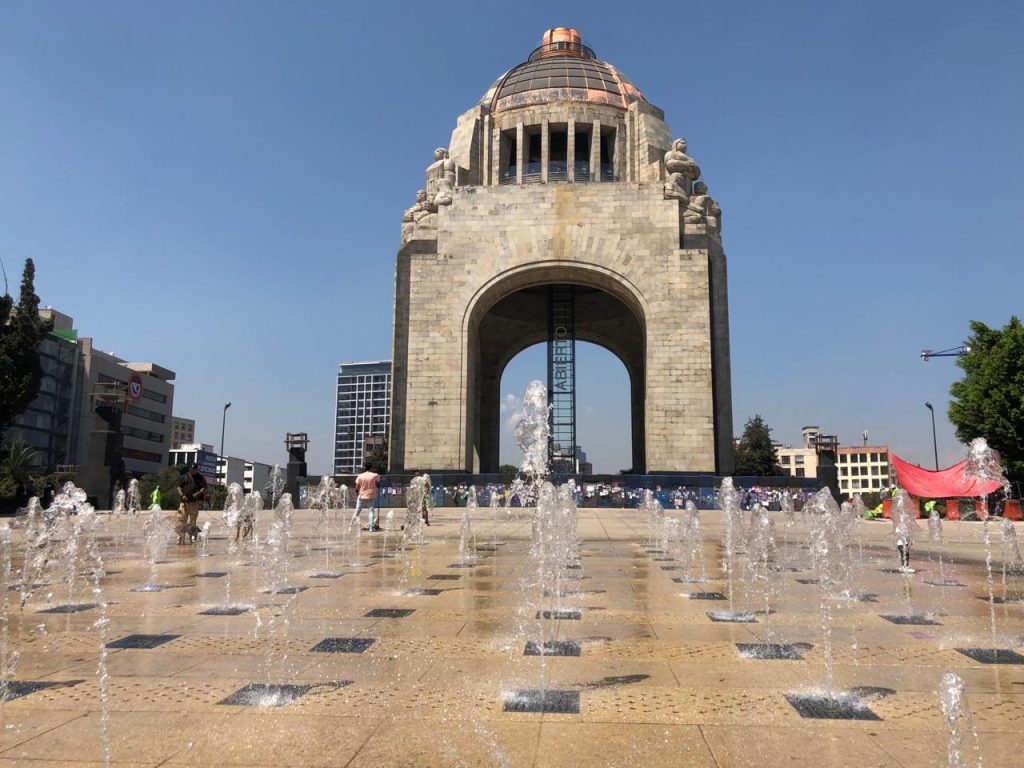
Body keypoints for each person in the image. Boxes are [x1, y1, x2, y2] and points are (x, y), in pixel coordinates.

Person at [176, 465, 207, 544]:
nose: (192, 471)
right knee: (182, 520)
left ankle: (192, 538)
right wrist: (182, 495)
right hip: (184, 503)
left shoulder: (200, 478)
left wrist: (198, 493)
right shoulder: (185, 476)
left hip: (194, 503)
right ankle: (180, 538)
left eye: (193, 469)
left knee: (193, 521)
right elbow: (179, 487)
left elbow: (204, 488)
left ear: (197, 470)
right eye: (191, 469)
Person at [351, 462, 381, 532]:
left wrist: (357, 493)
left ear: (364, 467)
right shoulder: (374, 475)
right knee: (371, 512)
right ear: (371, 468)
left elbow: (357, 487)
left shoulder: (360, 476)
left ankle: (351, 526)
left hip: (361, 496)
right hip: (371, 496)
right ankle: (371, 528)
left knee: (357, 512)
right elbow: (378, 480)